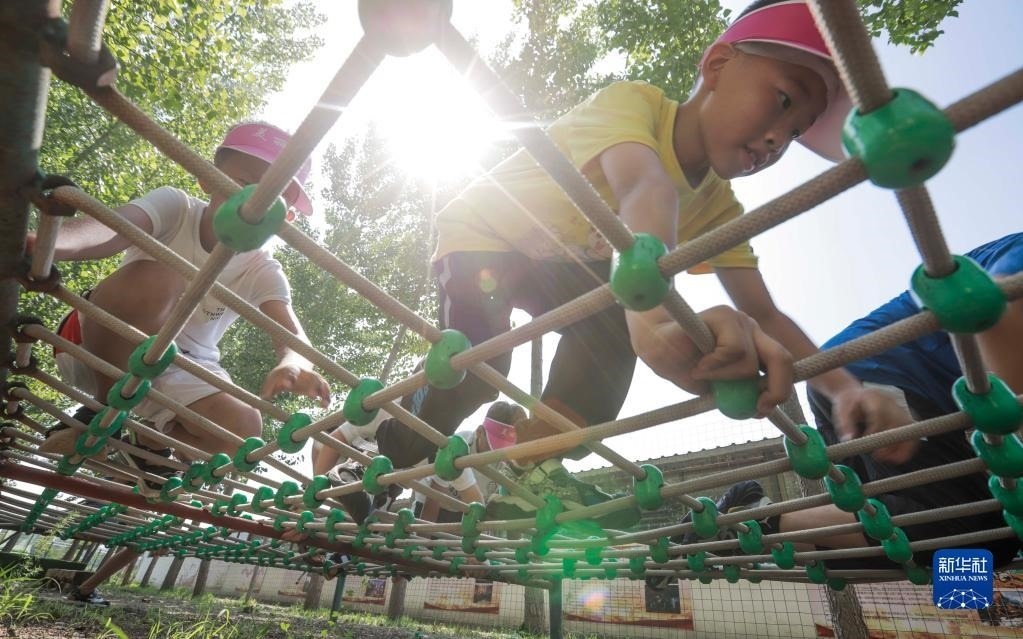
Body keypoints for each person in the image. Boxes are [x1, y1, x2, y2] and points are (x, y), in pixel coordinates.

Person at [356, 0, 895, 529]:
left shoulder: (719, 206)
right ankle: (381, 459)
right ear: (718, 65)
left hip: (560, 266)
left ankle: (531, 464)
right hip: (485, 234)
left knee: (609, 340)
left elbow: (766, 313)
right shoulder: (634, 104)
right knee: (479, 368)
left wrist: (845, 389)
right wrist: (654, 323)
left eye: (797, 131)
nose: (780, 139)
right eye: (782, 100)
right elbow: (644, 187)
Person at [677, 233, 1023, 573]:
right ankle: (761, 520)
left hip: (861, 382)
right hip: (877, 381)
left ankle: (758, 530)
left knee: (988, 540)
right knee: (970, 526)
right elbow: (1005, 311)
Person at [36, 122, 331, 481]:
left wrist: (293, 363)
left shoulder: (261, 268)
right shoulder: (176, 208)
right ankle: (100, 411)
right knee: (162, 277)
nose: (253, 203)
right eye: (242, 183)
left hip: (180, 366)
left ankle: (148, 439)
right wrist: (46, 243)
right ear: (207, 179)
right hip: (101, 342)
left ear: (286, 218)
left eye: (273, 199)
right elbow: (112, 228)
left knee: (245, 428)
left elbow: (291, 334)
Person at [414, 400, 523, 523]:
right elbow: (435, 494)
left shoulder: (505, 461)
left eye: (506, 447)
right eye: (494, 445)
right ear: (480, 431)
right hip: (432, 503)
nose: (498, 454)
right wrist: (425, 533)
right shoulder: (460, 445)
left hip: (464, 509)